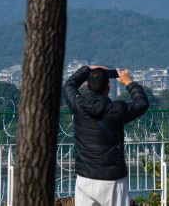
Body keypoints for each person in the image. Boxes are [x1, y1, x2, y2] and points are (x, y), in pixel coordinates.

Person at [63, 65, 149, 206]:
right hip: (112, 179)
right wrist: (128, 82)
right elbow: (142, 103)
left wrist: (87, 69)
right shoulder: (117, 110)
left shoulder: (78, 105)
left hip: (85, 177)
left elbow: (69, 85)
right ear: (108, 87)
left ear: (87, 85)